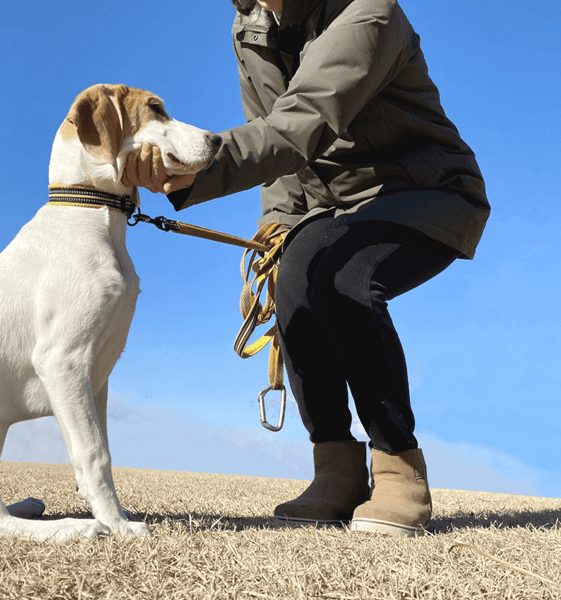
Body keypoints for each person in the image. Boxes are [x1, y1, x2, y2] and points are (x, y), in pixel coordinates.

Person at [122, 0, 489, 537]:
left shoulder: (371, 14)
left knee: (342, 278)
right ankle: (336, 469)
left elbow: (297, 127)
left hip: (425, 190)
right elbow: (269, 139)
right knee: (294, 275)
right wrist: (274, 233)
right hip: (339, 209)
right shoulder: (250, 30)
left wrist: (194, 165)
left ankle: (397, 465)